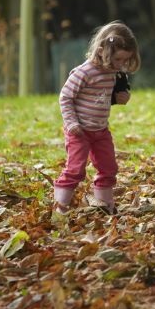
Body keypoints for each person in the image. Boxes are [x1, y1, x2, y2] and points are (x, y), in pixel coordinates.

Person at [53, 21, 141, 214]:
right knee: (75, 170)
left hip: (101, 130)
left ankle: (104, 205)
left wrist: (118, 98)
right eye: (118, 59)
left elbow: (98, 99)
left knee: (109, 168)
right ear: (102, 50)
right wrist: (71, 123)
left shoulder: (113, 73)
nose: (120, 65)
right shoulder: (84, 72)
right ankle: (60, 207)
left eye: (125, 61)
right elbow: (66, 97)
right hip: (79, 130)